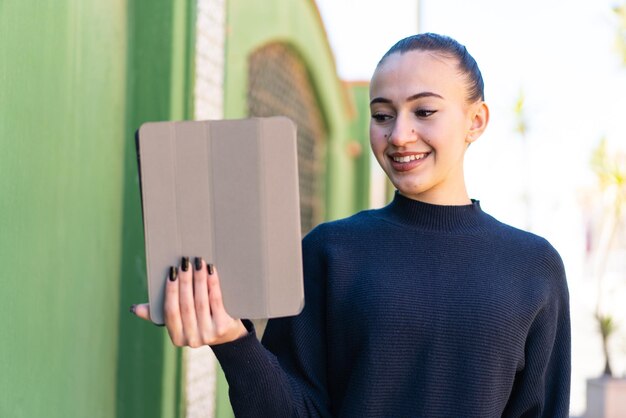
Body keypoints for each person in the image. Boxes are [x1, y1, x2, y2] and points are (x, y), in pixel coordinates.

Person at [132, 33, 571, 417]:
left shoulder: (533, 267)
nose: (399, 134)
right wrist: (233, 340)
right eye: (382, 115)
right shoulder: (328, 251)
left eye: (424, 112)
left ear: (476, 121)